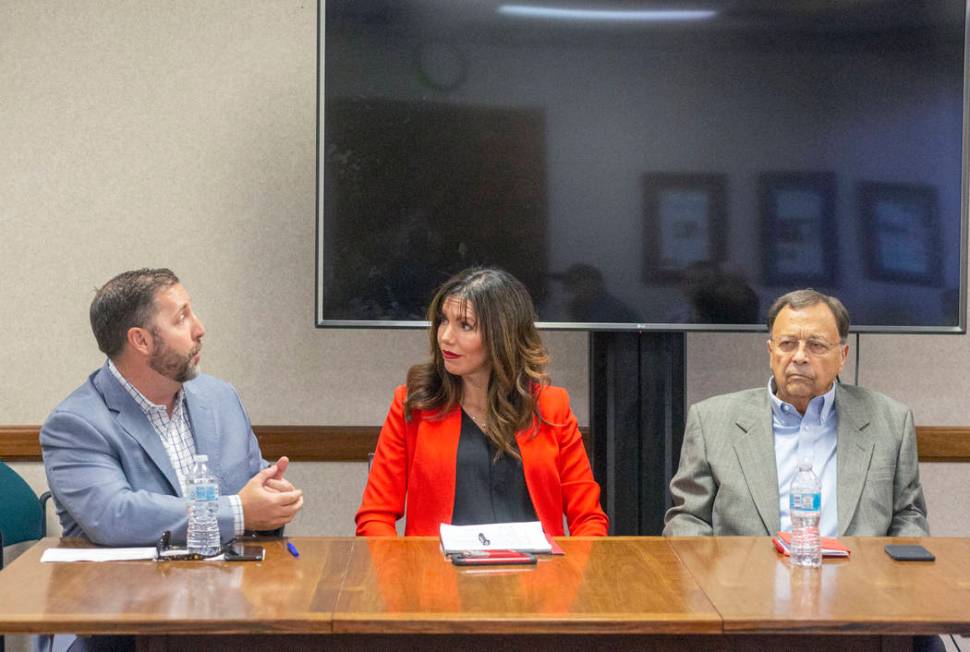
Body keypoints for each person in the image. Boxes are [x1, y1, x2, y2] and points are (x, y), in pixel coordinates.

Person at [41, 268, 304, 547]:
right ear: (140, 340)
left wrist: (274, 498)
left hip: (223, 584)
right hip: (125, 586)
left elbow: (252, 490)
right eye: (181, 319)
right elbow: (114, 517)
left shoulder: (220, 398)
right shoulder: (76, 423)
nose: (199, 329)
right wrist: (239, 512)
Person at [355, 267, 608, 536]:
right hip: (439, 573)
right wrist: (403, 574)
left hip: (537, 573)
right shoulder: (414, 403)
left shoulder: (551, 407)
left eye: (465, 325)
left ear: (502, 335)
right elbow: (375, 516)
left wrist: (575, 574)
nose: (445, 337)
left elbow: (589, 519)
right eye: (443, 321)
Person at [664, 289, 928, 537]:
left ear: (843, 356)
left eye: (816, 345)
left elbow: (909, 517)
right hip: (745, 580)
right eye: (788, 344)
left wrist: (892, 581)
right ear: (771, 352)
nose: (799, 357)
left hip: (855, 580)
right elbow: (688, 520)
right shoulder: (712, 421)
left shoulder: (891, 421)